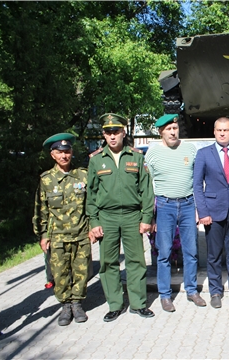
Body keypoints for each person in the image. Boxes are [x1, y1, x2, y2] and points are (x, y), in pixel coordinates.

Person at [87, 113, 155, 321]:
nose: (112, 136)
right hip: (107, 217)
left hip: (132, 216)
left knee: (136, 260)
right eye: (108, 133)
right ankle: (115, 304)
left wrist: (146, 217)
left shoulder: (136, 157)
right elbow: (90, 194)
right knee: (108, 263)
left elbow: (146, 190)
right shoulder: (96, 160)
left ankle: (138, 303)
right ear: (104, 135)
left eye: (116, 132)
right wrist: (94, 221)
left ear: (123, 132)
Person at [145, 114, 206, 311]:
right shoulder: (152, 153)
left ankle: (191, 290)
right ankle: (165, 295)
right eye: (168, 129)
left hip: (188, 204)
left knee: (191, 251)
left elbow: (198, 182)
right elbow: (147, 186)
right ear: (161, 131)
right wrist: (151, 216)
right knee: (164, 253)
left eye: (175, 128)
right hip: (164, 205)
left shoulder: (190, 149)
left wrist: (198, 208)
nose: (173, 132)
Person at [33, 133, 95, 326]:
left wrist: (92, 227)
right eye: (60, 153)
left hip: (81, 233)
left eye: (67, 152)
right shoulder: (46, 180)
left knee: (81, 271)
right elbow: (41, 210)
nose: (64, 156)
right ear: (53, 155)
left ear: (71, 153)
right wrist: (43, 235)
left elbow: (92, 204)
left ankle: (77, 303)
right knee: (59, 273)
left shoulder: (83, 175)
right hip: (57, 236)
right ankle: (65, 306)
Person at [193, 117, 229, 309]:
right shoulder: (203, 154)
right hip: (212, 212)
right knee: (214, 255)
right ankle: (216, 291)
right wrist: (202, 212)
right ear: (214, 131)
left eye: (226, 130)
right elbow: (197, 185)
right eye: (219, 130)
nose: (222, 133)